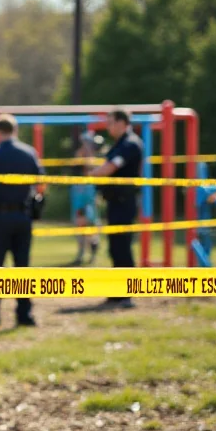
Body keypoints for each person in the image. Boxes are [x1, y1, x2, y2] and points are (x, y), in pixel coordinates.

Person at [0, 114, 45, 327]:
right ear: (15, 130)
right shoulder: (29, 153)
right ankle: (24, 314)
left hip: (0, 217)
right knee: (22, 267)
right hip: (23, 216)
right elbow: (41, 184)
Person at [89, 108, 144, 309]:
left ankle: (128, 294)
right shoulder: (120, 143)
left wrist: (93, 174)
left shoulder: (130, 144)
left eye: (111, 122)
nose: (108, 126)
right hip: (115, 202)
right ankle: (117, 292)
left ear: (122, 122)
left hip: (124, 202)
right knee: (115, 247)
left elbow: (109, 168)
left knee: (123, 248)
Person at [69, 131, 105, 265]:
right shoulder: (79, 156)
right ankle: (81, 253)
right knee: (79, 222)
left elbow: (92, 166)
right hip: (79, 192)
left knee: (92, 223)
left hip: (89, 193)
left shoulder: (96, 159)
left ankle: (93, 252)